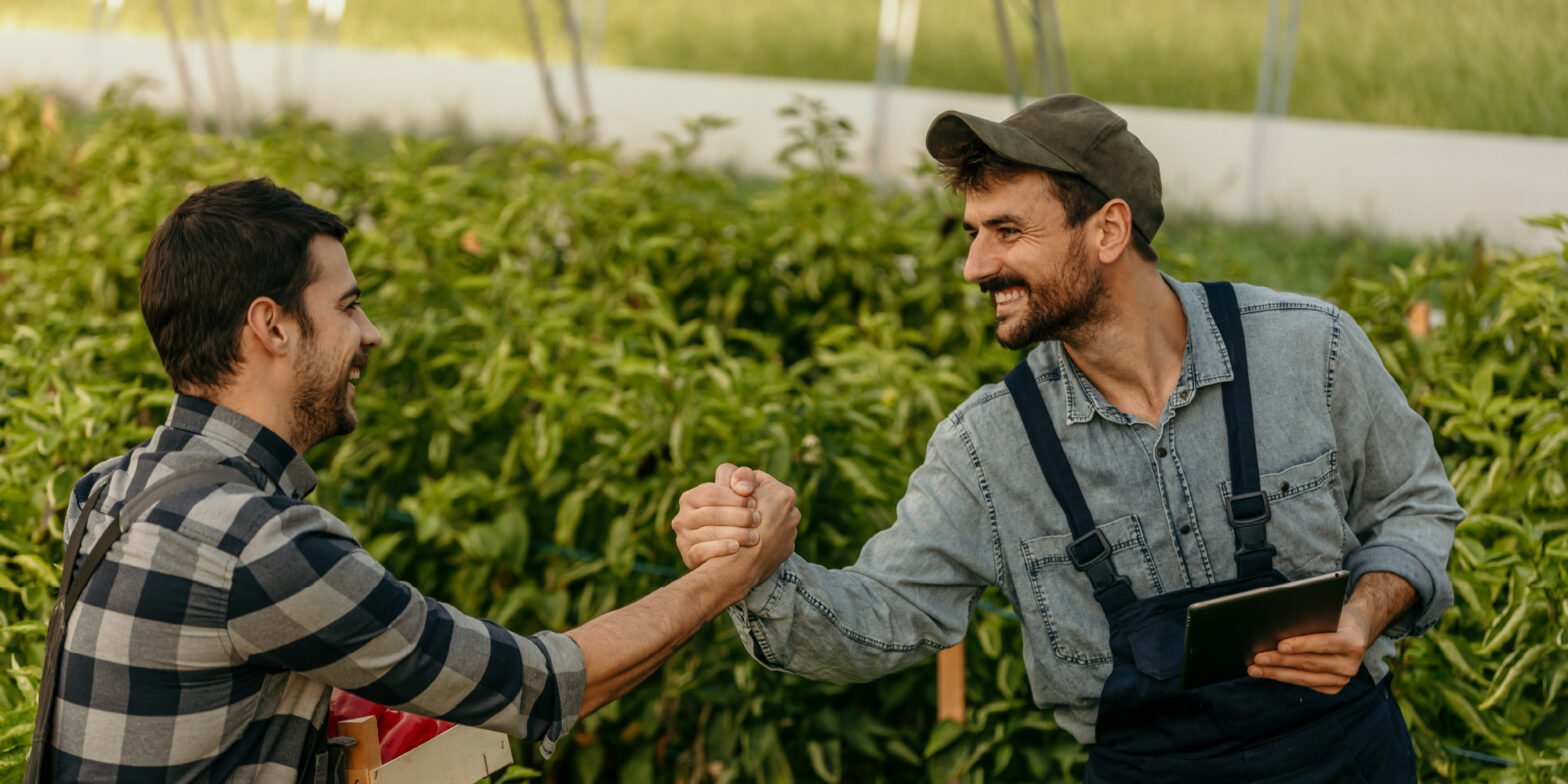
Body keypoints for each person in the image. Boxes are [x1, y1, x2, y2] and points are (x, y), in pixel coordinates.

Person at [673, 94, 1462, 782]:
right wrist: (758, 569)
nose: (975, 265)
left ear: (1109, 229)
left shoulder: (1306, 349)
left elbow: (1414, 506)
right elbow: (884, 615)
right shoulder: (990, 448)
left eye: (1007, 230)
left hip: (1346, 760)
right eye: (973, 232)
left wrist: (1363, 614)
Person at [30, 178, 800, 783]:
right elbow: (539, 684)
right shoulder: (262, 543)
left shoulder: (111, 490)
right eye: (349, 306)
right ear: (272, 327)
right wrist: (736, 573)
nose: (371, 335)